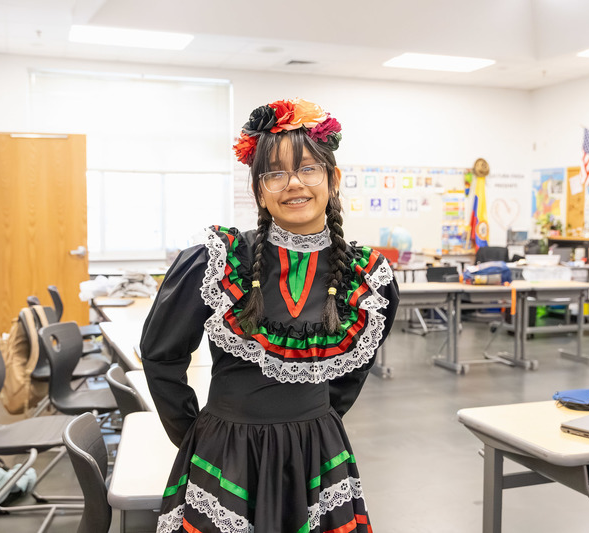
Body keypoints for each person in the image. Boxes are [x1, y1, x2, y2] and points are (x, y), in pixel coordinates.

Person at [140, 98, 400, 532]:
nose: (293, 183)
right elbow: (160, 356)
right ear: (259, 189)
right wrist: (196, 434)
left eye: (308, 169)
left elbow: (355, 370)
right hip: (225, 451)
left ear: (332, 179)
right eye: (275, 173)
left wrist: (314, 417)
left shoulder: (365, 276)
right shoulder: (218, 261)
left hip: (316, 452)